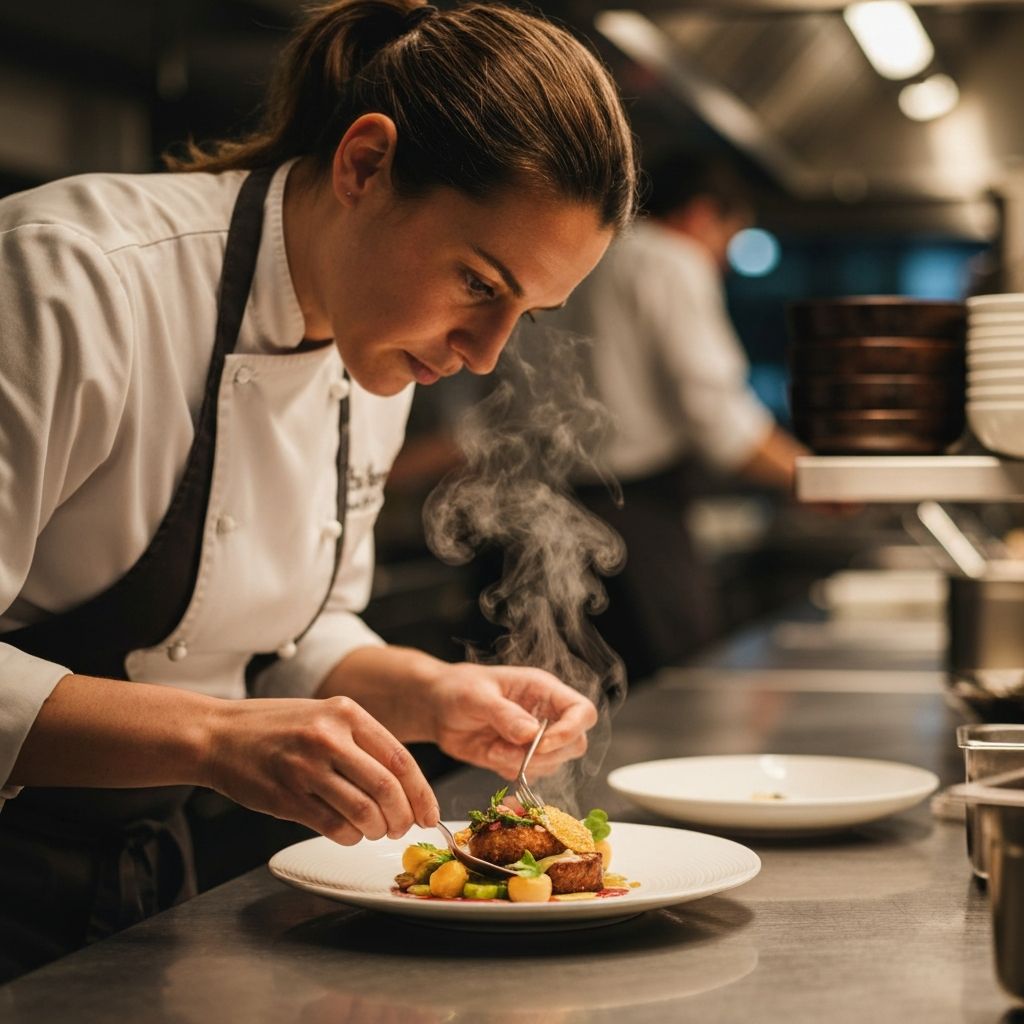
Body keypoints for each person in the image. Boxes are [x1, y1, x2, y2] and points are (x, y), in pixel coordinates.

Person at [0, 0, 637, 979]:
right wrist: (212, 737)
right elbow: (221, 703)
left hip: (138, 893)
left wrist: (430, 693)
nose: (482, 355)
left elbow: (292, 636)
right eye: (478, 282)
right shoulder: (70, 279)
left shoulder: (368, 344)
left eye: (526, 312)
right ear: (364, 165)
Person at [532, 151, 806, 682]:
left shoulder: (574, 251)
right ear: (703, 216)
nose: (724, 261)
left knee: (564, 701)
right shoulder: (670, 259)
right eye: (729, 240)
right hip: (635, 523)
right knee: (677, 697)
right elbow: (717, 418)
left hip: (542, 517)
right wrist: (815, 478)